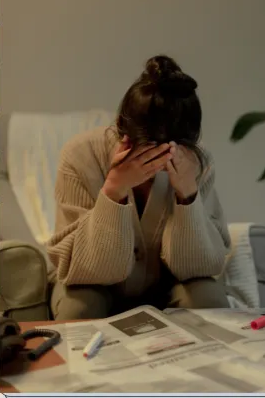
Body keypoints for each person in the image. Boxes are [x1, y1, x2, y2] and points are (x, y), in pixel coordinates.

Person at [47, 55, 230, 320]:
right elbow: (83, 268)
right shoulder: (80, 154)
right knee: (80, 308)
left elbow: (200, 267)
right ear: (123, 131)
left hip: (167, 285)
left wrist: (187, 194)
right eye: (148, 148)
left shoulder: (196, 161)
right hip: (90, 283)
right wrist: (114, 190)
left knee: (208, 298)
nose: (159, 159)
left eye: (172, 148)